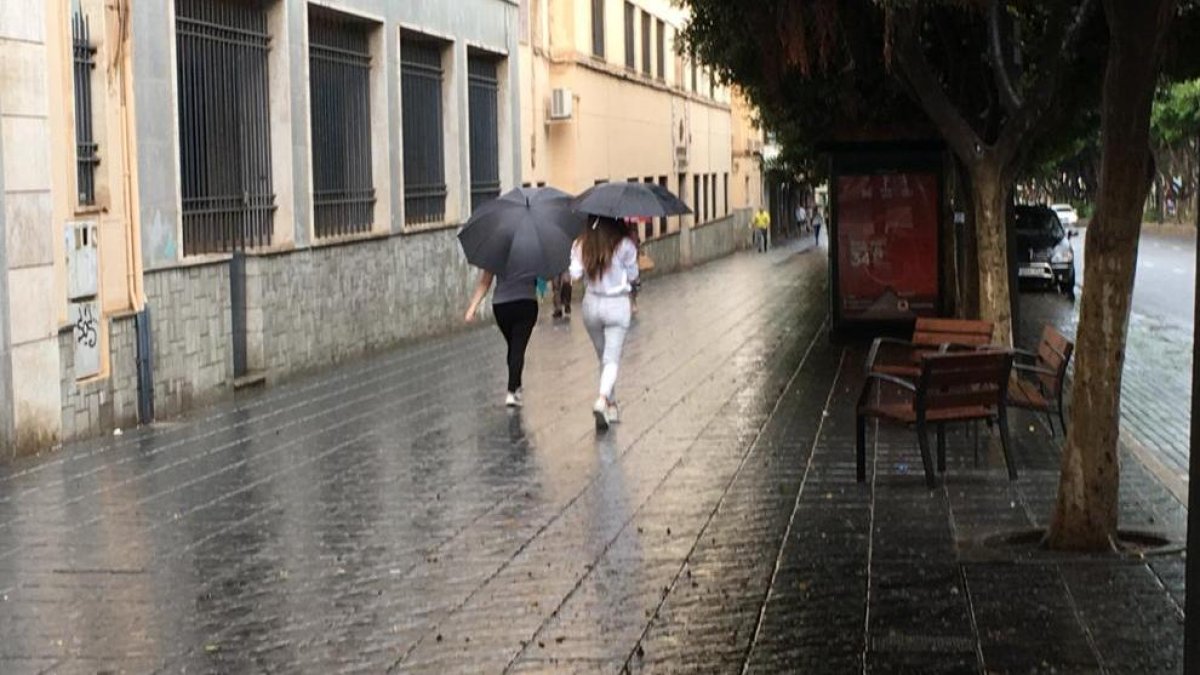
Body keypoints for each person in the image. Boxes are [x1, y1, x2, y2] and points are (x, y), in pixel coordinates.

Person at [571, 216, 639, 431]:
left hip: (591, 305)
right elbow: (633, 275)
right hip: (617, 304)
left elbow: (574, 275)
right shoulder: (625, 245)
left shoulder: (581, 244)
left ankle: (611, 405)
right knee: (611, 358)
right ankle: (602, 399)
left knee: (604, 357)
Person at [465, 269, 538, 407]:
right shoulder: (532, 251)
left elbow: (485, 282)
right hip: (526, 303)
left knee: (514, 346)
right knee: (517, 347)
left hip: (502, 306)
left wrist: (472, 308)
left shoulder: (497, 251)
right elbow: (543, 276)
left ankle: (517, 385)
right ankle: (511, 391)